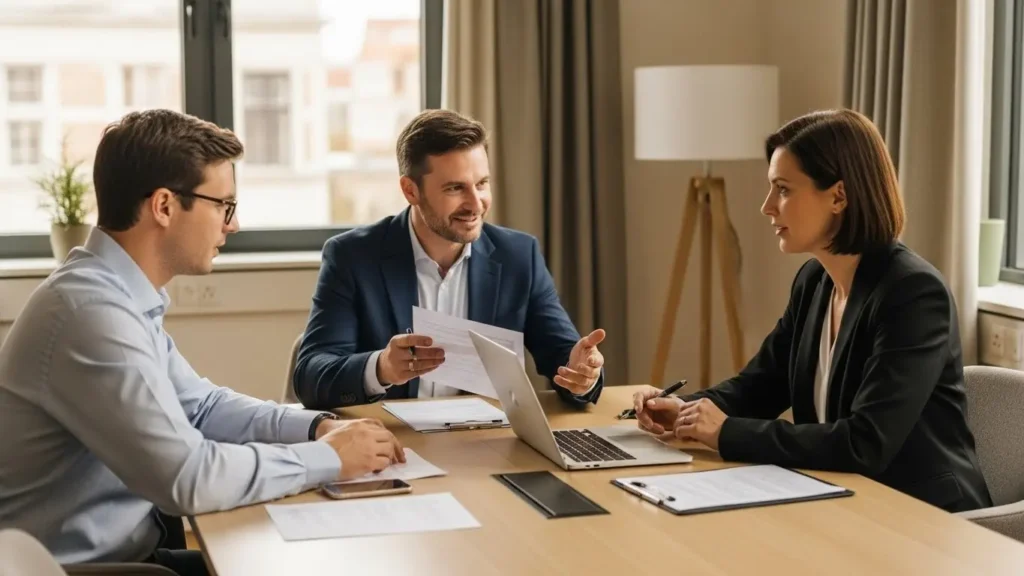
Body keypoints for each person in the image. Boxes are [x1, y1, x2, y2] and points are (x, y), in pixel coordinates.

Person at [0, 110, 405, 576]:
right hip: (88, 568)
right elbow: (187, 479)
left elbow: (203, 408)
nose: (232, 225)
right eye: (224, 206)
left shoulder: (115, 296)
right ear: (165, 206)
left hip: (135, 549)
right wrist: (327, 459)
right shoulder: (89, 313)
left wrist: (316, 428)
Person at [632, 109, 992, 513]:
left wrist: (726, 432)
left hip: (924, 516)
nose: (767, 207)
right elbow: (760, 385)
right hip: (843, 499)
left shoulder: (913, 294)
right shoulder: (814, 281)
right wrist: (684, 410)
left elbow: (865, 443)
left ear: (838, 196)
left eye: (783, 189)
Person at [293, 109, 606, 409]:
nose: (475, 204)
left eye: (481, 184)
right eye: (455, 188)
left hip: (484, 445)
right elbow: (311, 376)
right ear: (410, 190)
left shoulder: (518, 256)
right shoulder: (352, 257)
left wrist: (583, 374)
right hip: (391, 445)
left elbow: (564, 358)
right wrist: (382, 368)